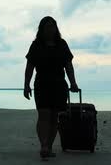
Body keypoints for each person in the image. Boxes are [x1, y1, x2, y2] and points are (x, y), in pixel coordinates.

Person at [23, 16, 79, 159]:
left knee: (54, 117)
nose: (50, 29)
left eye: (53, 26)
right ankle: (44, 146)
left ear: (56, 29)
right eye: (47, 26)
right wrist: (26, 85)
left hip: (59, 84)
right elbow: (29, 67)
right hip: (41, 84)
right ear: (41, 29)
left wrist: (73, 82)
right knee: (43, 115)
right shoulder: (36, 45)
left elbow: (68, 66)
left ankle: (49, 146)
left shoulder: (62, 44)